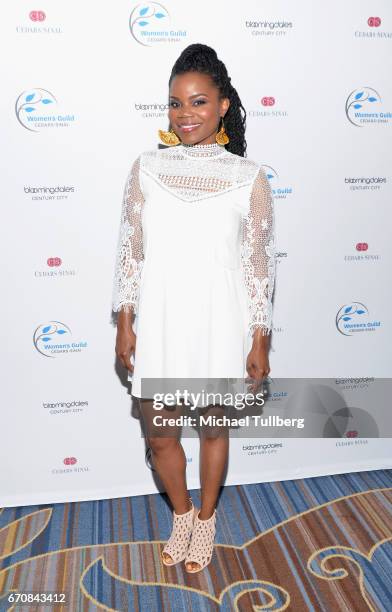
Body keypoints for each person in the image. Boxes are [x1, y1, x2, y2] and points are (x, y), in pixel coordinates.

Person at [112, 43, 276, 573]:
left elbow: (258, 265)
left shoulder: (248, 176)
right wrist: (125, 320)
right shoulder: (145, 167)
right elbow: (130, 250)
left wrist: (259, 338)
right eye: (176, 104)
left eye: (199, 102)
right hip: (159, 319)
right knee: (159, 432)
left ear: (223, 105)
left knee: (211, 427)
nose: (186, 115)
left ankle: (205, 519)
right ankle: (180, 513)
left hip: (217, 321)